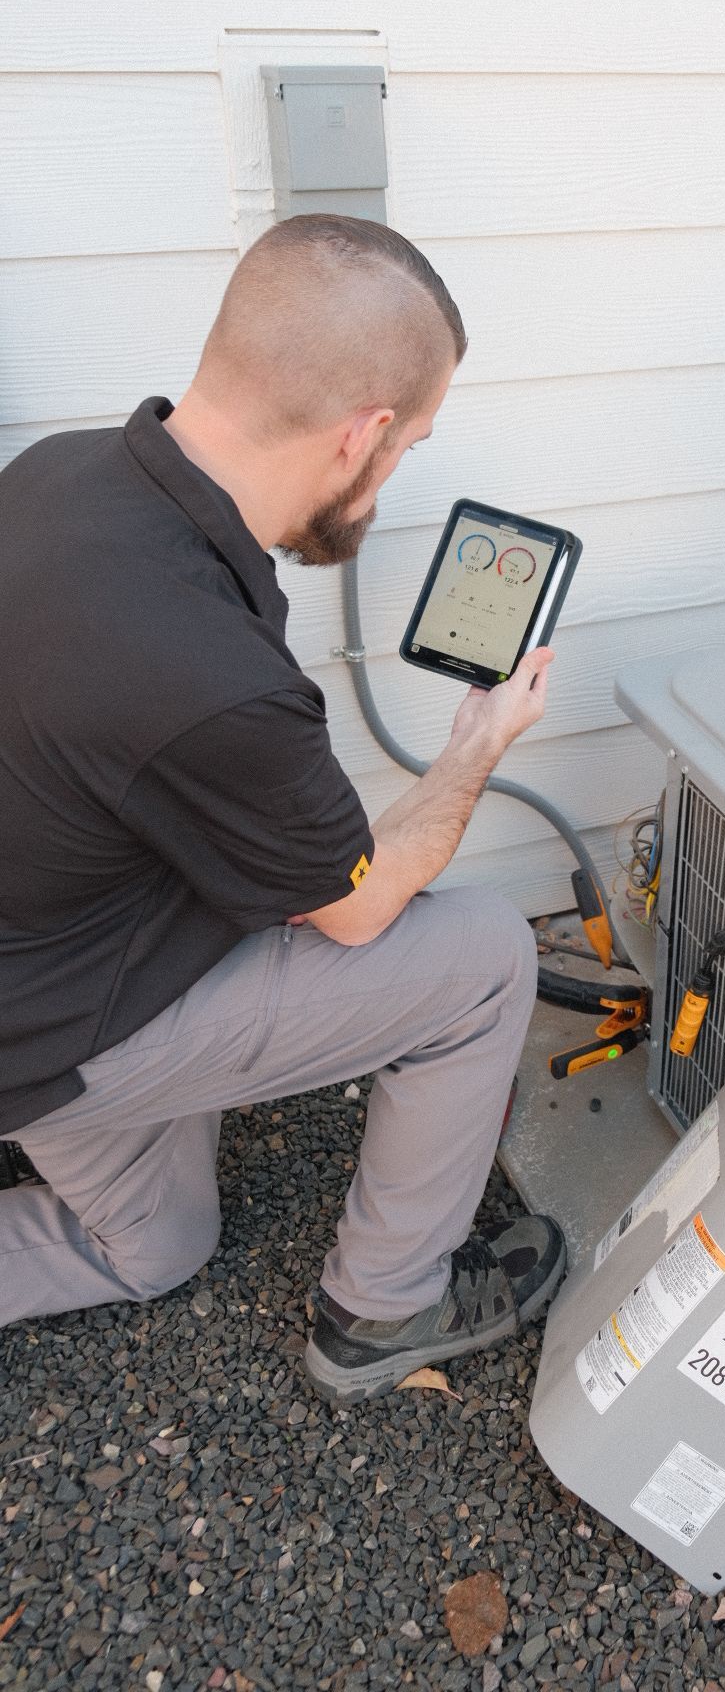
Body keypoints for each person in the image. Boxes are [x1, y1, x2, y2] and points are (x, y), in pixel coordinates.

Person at [0, 214, 567, 1404]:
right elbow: (352, 915)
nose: (397, 468)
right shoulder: (216, 680)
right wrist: (472, 748)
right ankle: (383, 1313)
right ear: (361, 436)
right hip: (58, 1022)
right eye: (407, 445)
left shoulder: (53, 475)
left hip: (43, 953)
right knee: (479, 954)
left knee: (156, 1249)